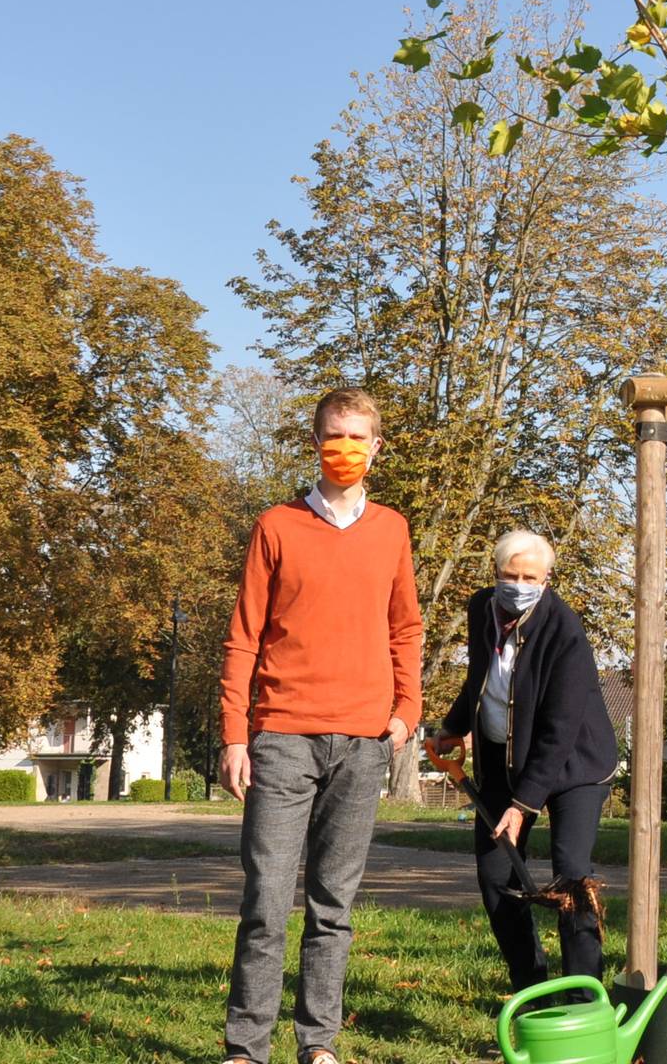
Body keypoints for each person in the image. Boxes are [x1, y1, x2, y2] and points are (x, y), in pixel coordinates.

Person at [219, 387, 427, 1064]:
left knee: (332, 908)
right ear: (315, 443)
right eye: (334, 435)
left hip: (363, 743)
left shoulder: (392, 530)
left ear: (377, 447)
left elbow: (406, 628)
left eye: (358, 436)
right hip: (282, 738)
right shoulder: (276, 525)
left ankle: (319, 1044)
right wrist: (234, 734)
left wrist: (406, 711)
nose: (346, 448)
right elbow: (243, 636)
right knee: (266, 901)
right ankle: (247, 1048)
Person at [435, 529, 618, 992]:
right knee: (495, 874)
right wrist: (453, 725)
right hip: (504, 759)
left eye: (530, 578)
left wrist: (521, 807)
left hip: (575, 764)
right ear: (495, 572)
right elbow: (480, 676)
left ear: (547, 579)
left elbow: (560, 730)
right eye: (510, 575)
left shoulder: (565, 631)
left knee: (571, 877)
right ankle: (531, 986)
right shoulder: (481, 608)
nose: (518, 585)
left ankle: (583, 997)